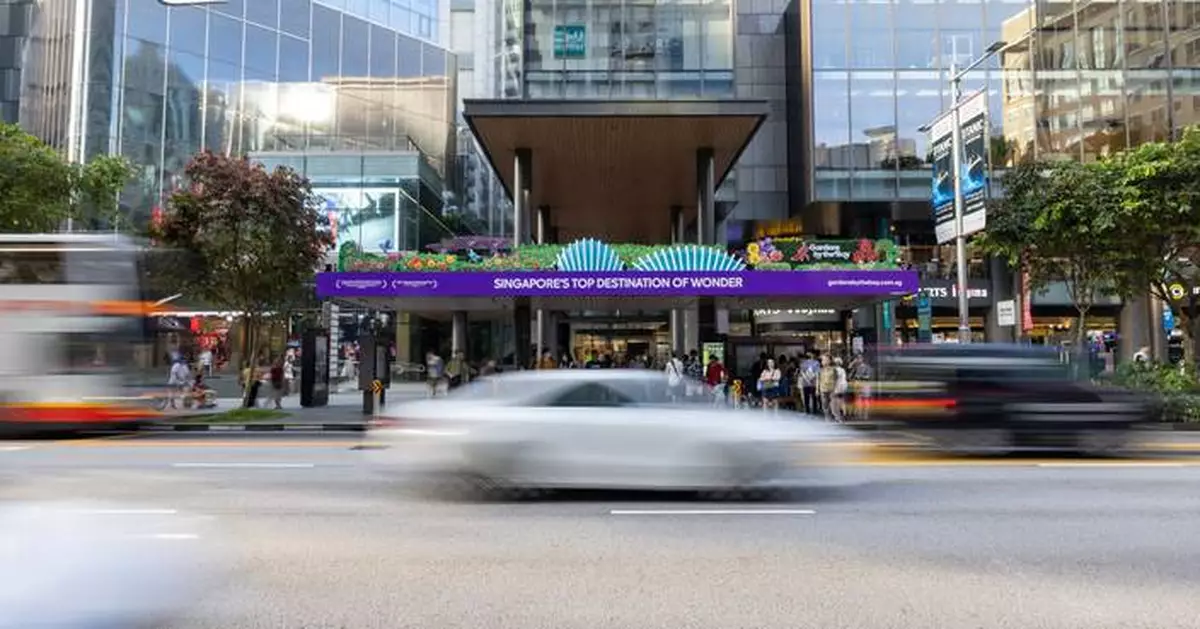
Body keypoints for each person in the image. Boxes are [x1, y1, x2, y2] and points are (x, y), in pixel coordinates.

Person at [817, 355, 839, 422]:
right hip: (823, 388)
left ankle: (836, 416)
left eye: (825, 360)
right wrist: (817, 389)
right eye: (823, 360)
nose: (823, 361)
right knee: (824, 404)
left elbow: (836, 379)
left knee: (833, 403)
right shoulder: (820, 370)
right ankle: (827, 417)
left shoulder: (834, 369)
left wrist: (836, 388)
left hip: (832, 388)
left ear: (829, 361)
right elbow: (818, 380)